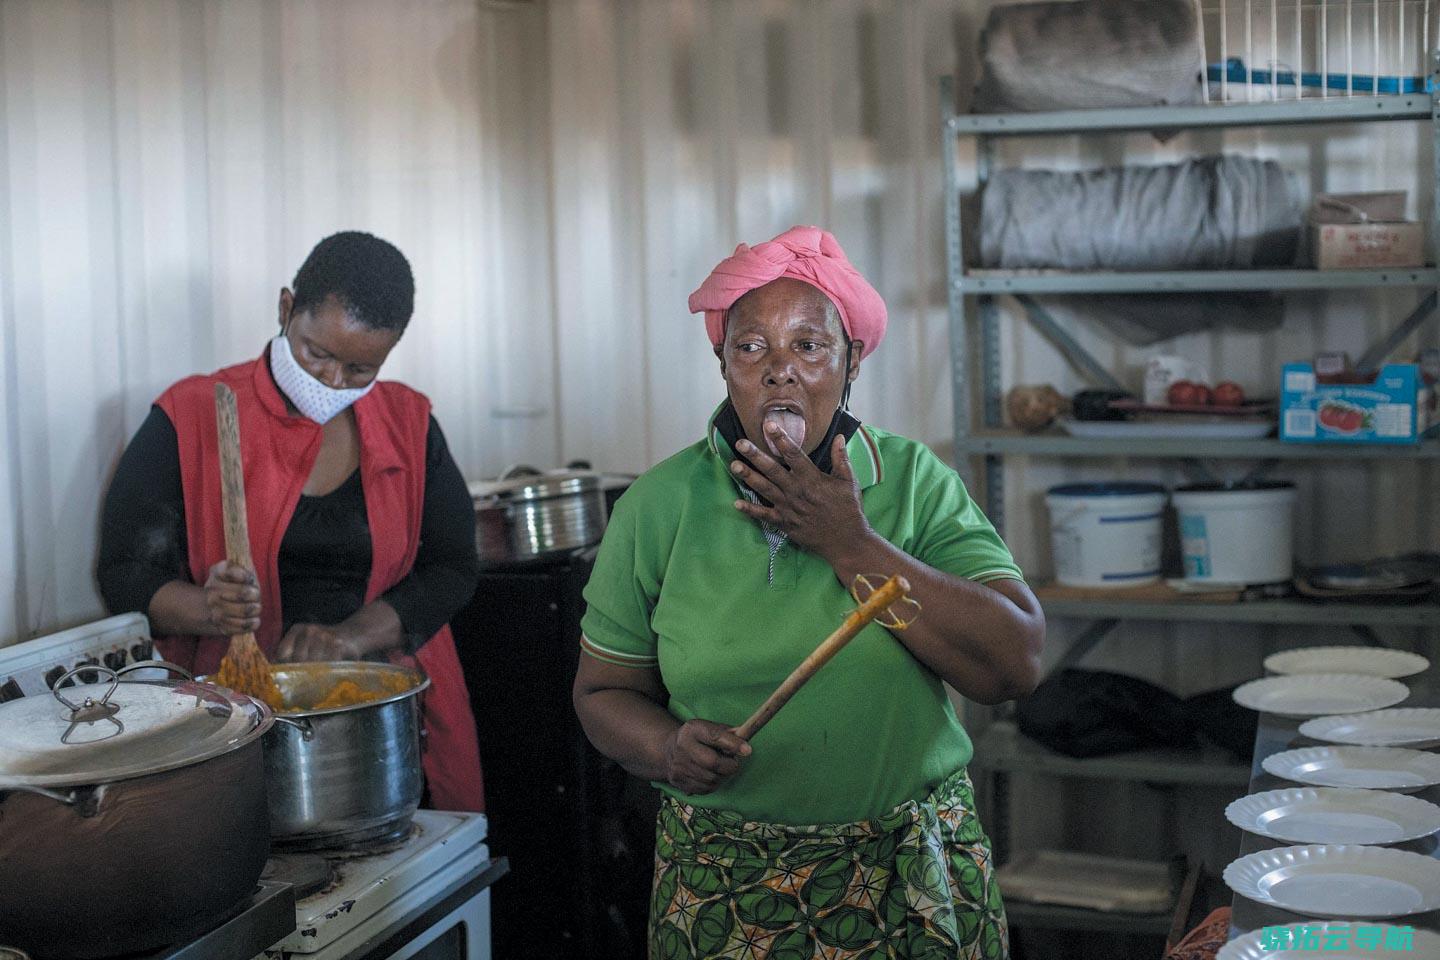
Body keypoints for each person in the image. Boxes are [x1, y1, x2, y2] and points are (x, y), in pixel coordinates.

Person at [573, 225, 1044, 959]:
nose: (779, 371)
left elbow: (1014, 662)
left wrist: (848, 542)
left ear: (851, 362)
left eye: (809, 346)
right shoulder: (658, 506)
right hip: (724, 886)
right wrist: (665, 749)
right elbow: (601, 694)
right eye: (751, 347)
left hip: (905, 878)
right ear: (723, 364)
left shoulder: (915, 483)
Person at [98, 231, 484, 812]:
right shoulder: (194, 413)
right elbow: (123, 573)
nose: (332, 383)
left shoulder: (409, 421)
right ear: (285, 309)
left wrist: (349, 637)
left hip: (386, 721)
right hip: (237, 720)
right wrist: (208, 608)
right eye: (317, 353)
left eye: (360, 368)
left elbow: (452, 567)